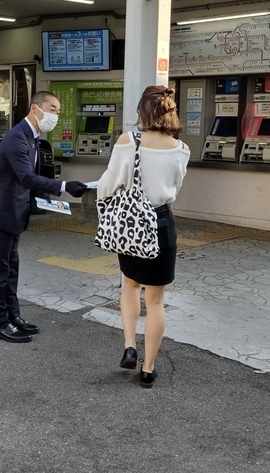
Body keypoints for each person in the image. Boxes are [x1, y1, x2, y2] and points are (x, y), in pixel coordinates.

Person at [97, 85, 190, 387]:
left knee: (130, 285)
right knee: (156, 300)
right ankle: (148, 369)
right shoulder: (182, 149)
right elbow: (175, 187)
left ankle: (129, 346)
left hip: (132, 222)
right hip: (161, 222)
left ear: (143, 112)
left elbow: (109, 183)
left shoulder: (129, 141)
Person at [0, 91, 88, 343]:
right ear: (34, 108)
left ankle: (13, 317)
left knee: (10, 269)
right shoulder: (17, 137)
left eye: (58, 111)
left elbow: (28, 181)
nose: (55, 115)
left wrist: (49, 200)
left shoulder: (33, 137)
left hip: (14, 213)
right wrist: (63, 186)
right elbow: (26, 177)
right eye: (52, 109)